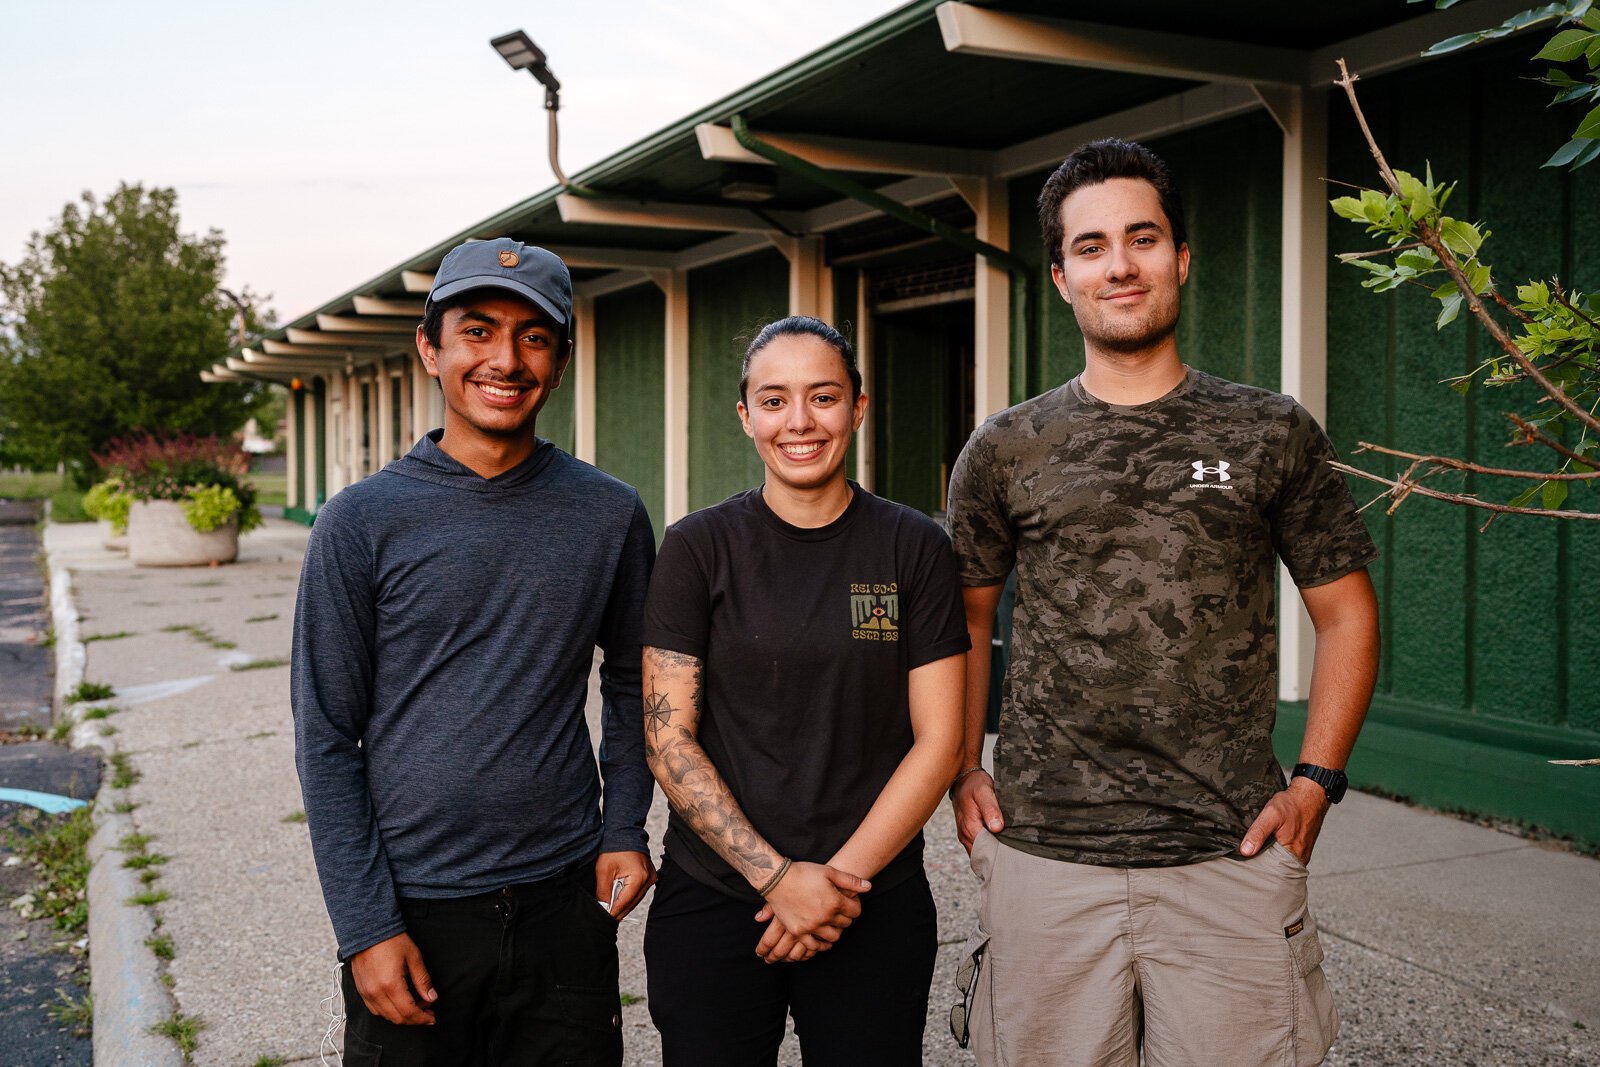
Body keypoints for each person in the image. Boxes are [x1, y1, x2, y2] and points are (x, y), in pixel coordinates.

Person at [944, 139, 1381, 1067]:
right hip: (1045, 851)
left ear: (1180, 258)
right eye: (1092, 246)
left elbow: (1345, 613)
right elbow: (967, 626)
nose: (1121, 264)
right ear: (1062, 277)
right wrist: (959, 769)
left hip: (1231, 852)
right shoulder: (1005, 447)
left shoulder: (1269, 430)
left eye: (1142, 238)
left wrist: (1317, 783)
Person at [291, 238, 656, 1066]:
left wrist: (624, 825)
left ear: (560, 361)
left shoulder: (608, 514)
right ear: (431, 348)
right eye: (478, 330)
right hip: (415, 909)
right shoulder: (359, 523)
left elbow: (636, 681)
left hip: (565, 903)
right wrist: (366, 926)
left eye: (534, 337)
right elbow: (324, 735)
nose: (505, 358)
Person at [639, 316, 968, 1065]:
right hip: (716, 898)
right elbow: (666, 735)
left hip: (872, 900)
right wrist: (778, 878)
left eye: (823, 396)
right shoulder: (697, 547)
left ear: (857, 407)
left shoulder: (914, 546)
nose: (800, 421)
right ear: (746, 415)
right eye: (775, 398)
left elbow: (941, 739)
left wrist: (833, 886)